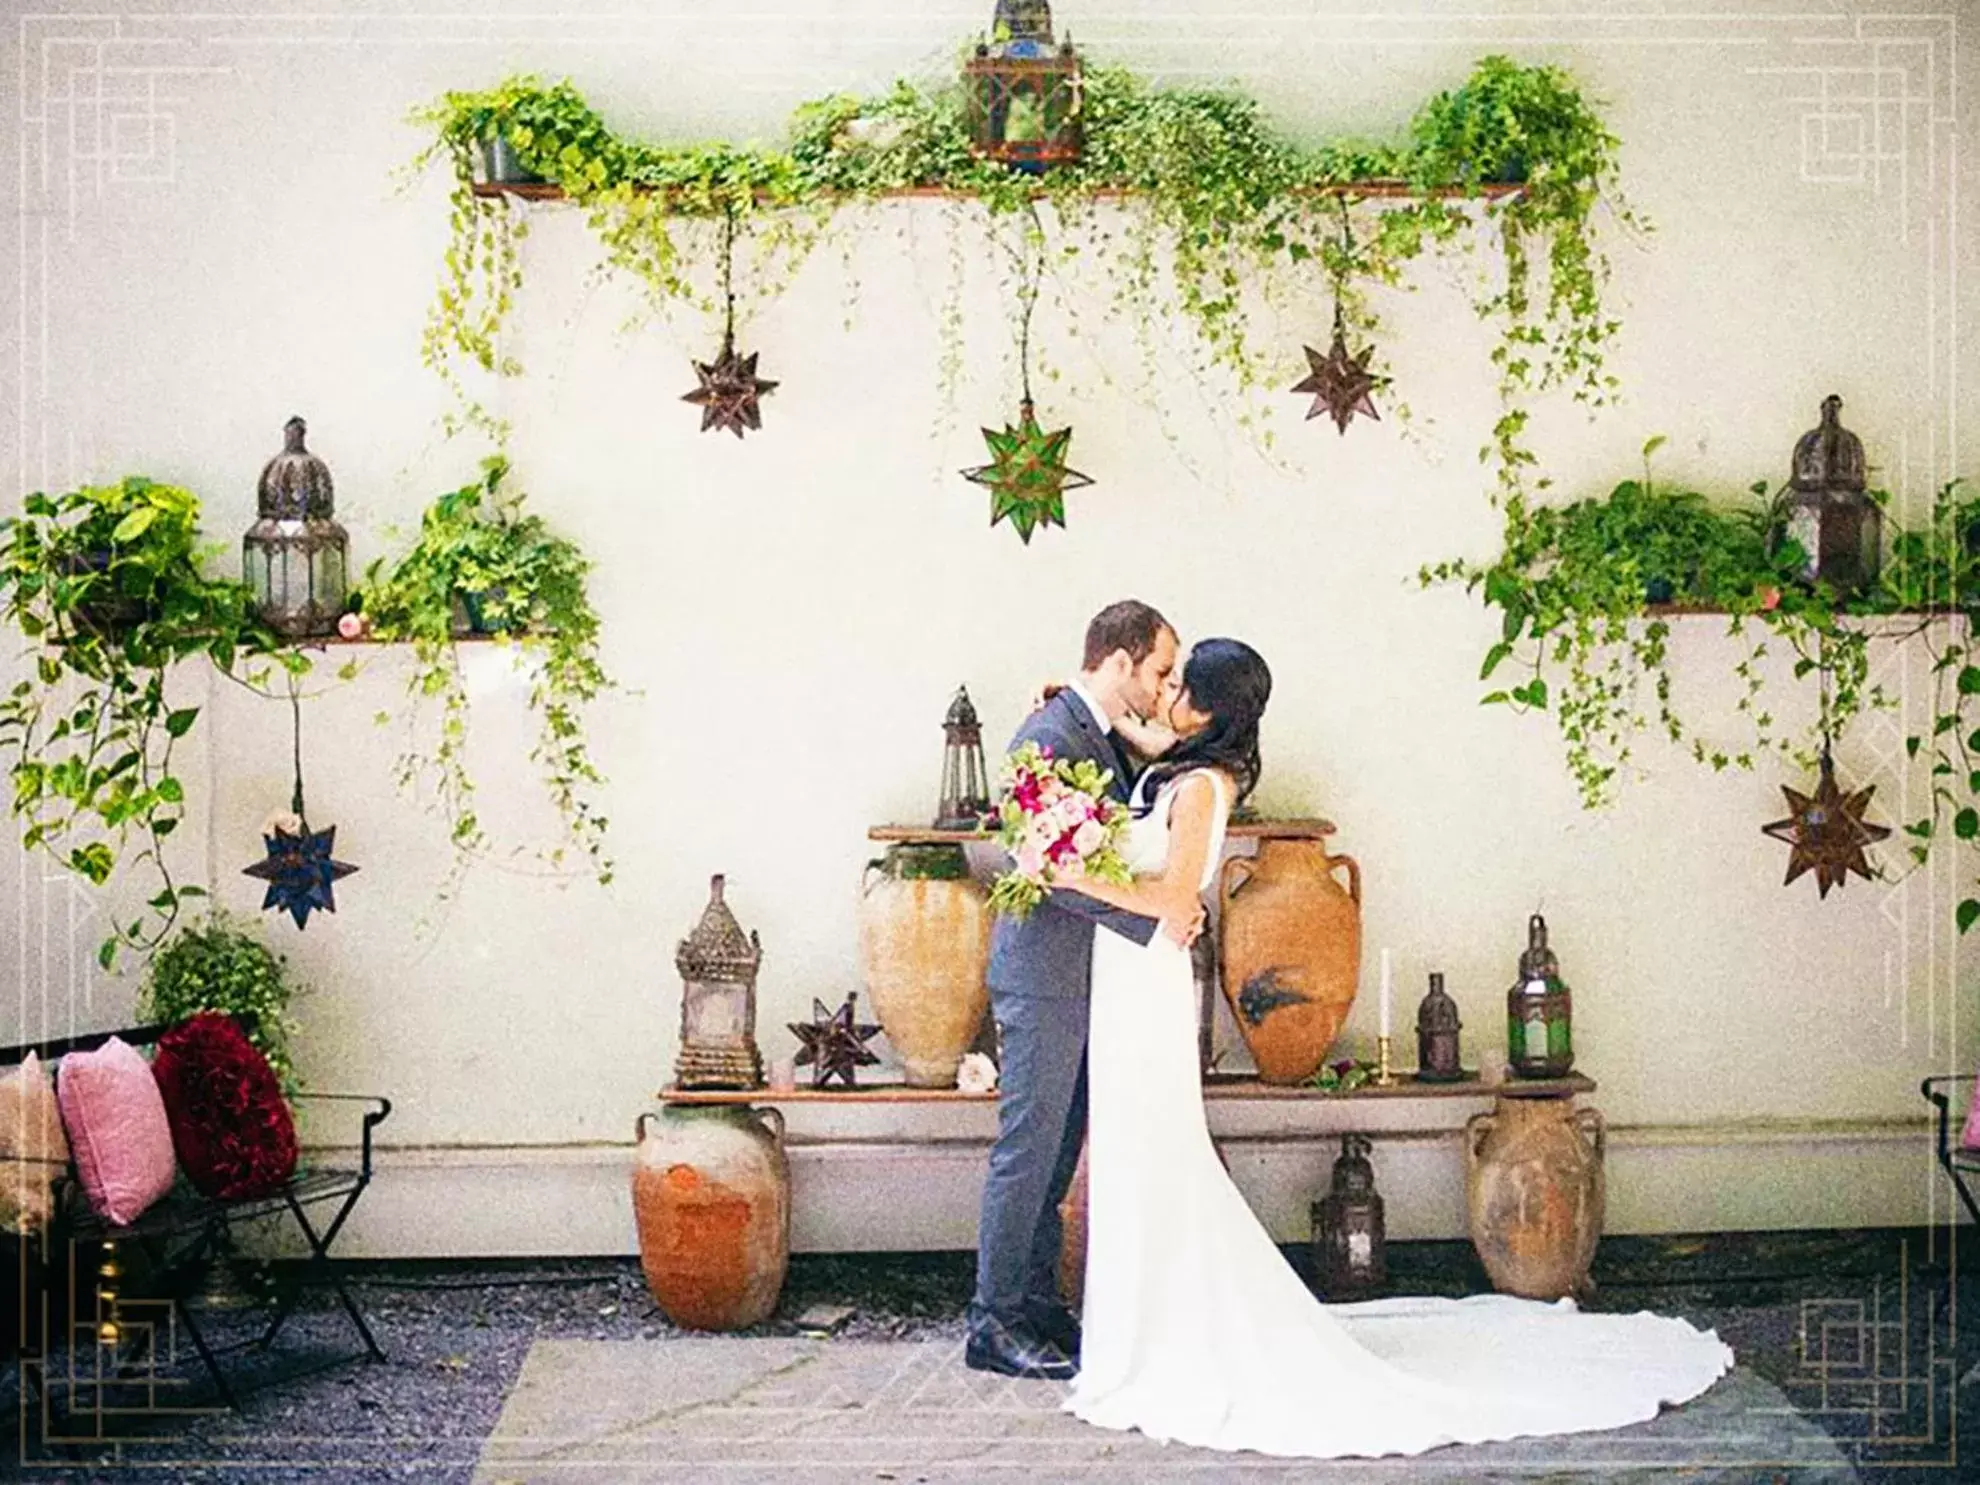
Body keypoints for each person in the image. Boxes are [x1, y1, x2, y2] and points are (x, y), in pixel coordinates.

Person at [1051, 635, 1735, 1458]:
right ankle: (1138, 1326)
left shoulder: (1201, 787)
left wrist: (1059, 869)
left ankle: (1157, 1338)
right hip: (1125, 981)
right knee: (1133, 1147)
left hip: (1148, 978)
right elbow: (1150, 745)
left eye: (1176, 683)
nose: (1163, 696)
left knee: (1154, 1149)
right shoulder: (1184, 766)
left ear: (1205, 704)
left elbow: (1169, 897)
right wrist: (1080, 709)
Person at [964, 599, 1200, 1381]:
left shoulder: (1092, 732)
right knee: (1026, 1152)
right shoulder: (1046, 737)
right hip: (1041, 980)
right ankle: (992, 1322)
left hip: (1082, 981)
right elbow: (1056, 872)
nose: (1165, 687)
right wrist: (1159, 914)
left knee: (1059, 1153)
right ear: (1122, 659)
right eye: (1160, 670)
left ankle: (1035, 1306)